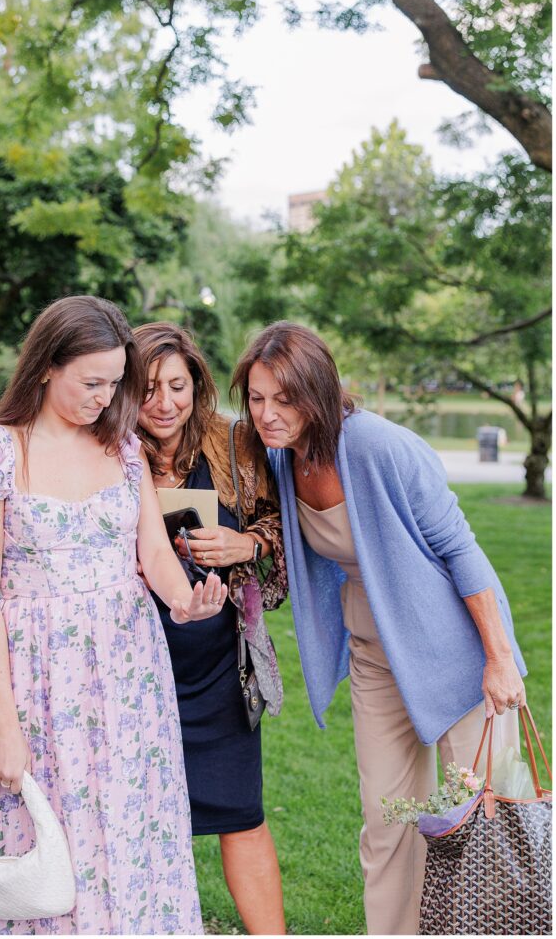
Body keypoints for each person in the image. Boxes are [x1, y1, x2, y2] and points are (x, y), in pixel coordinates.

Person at [0, 296, 227, 936]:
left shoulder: (121, 449)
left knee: (129, 831)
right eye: (91, 382)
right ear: (46, 366)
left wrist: (185, 601)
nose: (106, 397)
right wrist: (3, 728)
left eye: (113, 382)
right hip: (40, 684)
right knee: (49, 838)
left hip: (130, 676)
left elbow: (151, 549)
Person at [231, 321, 527, 936]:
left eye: (283, 399)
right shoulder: (281, 458)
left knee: (487, 821)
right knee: (387, 819)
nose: (267, 413)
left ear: (317, 392)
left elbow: (461, 548)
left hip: (457, 651)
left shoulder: (378, 446)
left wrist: (498, 658)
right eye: (257, 398)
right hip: (375, 653)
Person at [133, 322, 287, 936]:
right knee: (137, 814)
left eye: (177, 386)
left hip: (220, 662)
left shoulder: (234, 445)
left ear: (197, 385)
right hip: (135, 662)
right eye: (147, 389)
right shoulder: (107, 450)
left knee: (239, 810)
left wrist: (244, 540)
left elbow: (282, 534)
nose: (164, 403)